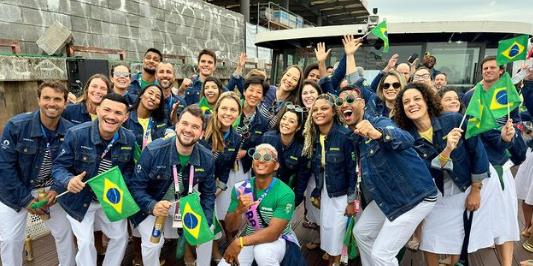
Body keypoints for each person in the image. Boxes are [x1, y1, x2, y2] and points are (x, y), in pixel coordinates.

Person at [334, 85, 437, 266]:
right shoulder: (354, 138)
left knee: (382, 255)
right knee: (362, 233)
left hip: (414, 197)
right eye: (340, 102)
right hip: (390, 195)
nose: (344, 104)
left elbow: (405, 138)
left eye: (350, 99)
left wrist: (377, 134)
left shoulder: (379, 123)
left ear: (362, 104)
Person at [394, 82, 493, 265]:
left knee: (459, 234)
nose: (412, 104)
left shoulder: (454, 120)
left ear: (427, 100)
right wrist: (447, 150)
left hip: (463, 185)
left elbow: (477, 152)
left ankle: (453, 262)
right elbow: (425, 171)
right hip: (433, 190)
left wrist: (476, 190)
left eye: (417, 98)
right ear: (402, 109)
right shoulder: (406, 137)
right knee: (430, 234)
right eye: (406, 102)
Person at [52, 93, 136, 266]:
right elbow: (58, 167)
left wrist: (122, 185)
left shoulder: (130, 138)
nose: (111, 116)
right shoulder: (76, 134)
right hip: (78, 199)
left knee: (120, 237)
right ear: (97, 109)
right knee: (85, 244)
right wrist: (69, 180)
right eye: (107, 110)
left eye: (118, 113)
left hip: (110, 198)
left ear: (126, 116)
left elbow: (128, 170)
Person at [128, 105, 216, 266]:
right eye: (185, 123)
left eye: (195, 127)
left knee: (208, 231)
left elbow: (209, 194)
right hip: (152, 205)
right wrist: (152, 205)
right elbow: (135, 187)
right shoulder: (154, 151)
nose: (188, 130)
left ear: (202, 133)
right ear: (176, 125)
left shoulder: (207, 157)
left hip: (182, 205)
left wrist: (205, 221)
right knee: (152, 244)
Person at [0, 81, 76, 266]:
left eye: (57, 99)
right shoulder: (16, 126)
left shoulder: (70, 130)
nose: (52, 103)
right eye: (47, 98)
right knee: (10, 240)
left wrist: (57, 189)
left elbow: (70, 165)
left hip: (50, 189)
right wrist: (26, 200)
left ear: (65, 102)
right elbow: (4, 166)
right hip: (15, 190)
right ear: (38, 100)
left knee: (65, 232)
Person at [462, 56, 527, 266]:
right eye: (485, 68)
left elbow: (515, 121)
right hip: (477, 161)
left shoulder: (508, 95)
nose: (488, 70)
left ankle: (506, 263)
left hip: (500, 163)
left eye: (492, 68)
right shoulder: (471, 95)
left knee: (505, 217)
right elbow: (468, 126)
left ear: (500, 71)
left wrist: (511, 130)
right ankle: (459, 257)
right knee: (471, 215)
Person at [219, 144, 298, 266]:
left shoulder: (285, 193)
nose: (261, 160)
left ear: (276, 165)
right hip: (250, 235)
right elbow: (229, 228)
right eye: (256, 156)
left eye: (267, 157)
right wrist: (238, 211)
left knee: (262, 251)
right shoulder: (241, 188)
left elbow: (273, 233)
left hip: (279, 239)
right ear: (252, 163)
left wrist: (238, 242)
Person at [302, 93, 356, 266]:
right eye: (315, 110)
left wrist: (350, 201)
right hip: (324, 192)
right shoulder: (313, 136)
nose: (319, 112)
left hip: (341, 194)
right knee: (327, 231)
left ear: (333, 111)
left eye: (324, 108)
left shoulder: (345, 136)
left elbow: (352, 170)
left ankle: (336, 262)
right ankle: (333, 262)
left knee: (338, 233)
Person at [199, 91, 242, 262]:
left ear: (238, 113)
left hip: (213, 184)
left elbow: (226, 167)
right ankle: (189, 252)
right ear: (217, 109)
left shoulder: (236, 137)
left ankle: (214, 250)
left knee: (213, 218)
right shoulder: (204, 127)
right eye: (224, 108)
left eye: (233, 110)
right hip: (194, 180)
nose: (228, 113)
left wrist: (221, 186)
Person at [261, 106, 310, 205]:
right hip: (263, 190)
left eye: (291, 121)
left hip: (285, 193)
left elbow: (301, 180)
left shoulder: (302, 149)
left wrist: (293, 203)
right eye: (284, 119)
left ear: (298, 127)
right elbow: (256, 167)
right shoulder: (267, 138)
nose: (285, 123)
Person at [235, 76, 270, 176]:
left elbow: (262, 148)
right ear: (244, 92)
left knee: (242, 192)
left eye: (259, 92)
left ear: (263, 97)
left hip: (244, 168)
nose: (254, 95)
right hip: (223, 163)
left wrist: (245, 153)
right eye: (251, 90)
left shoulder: (263, 122)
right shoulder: (232, 111)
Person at [123, 84, 167, 149]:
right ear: (141, 95)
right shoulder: (125, 117)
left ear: (159, 105)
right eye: (150, 93)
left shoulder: (160, 122)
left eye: (157, 97)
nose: (153, 98)